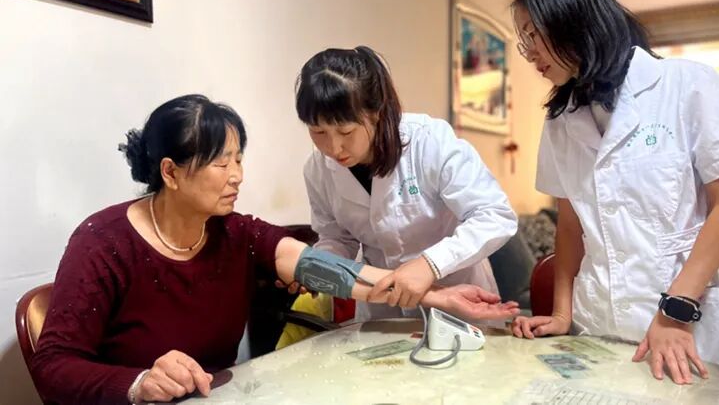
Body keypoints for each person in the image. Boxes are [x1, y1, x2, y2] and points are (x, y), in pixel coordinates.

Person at [29, 94, 519, 404]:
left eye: (239, 159)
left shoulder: (235, 233)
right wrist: (139, 384)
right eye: (221, 163)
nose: (238, 176)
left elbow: (328, 270)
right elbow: (53, 367)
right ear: (171, 172)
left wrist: (435, 296)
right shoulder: (103, 242)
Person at [508, 0, 719, 404]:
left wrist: (676, 310)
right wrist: (561, 314)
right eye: (523, 40)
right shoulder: (560, 120)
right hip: (600, 323)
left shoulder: (686, 85)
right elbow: (571, 225)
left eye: (533, 34)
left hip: (691, 319)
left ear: (573, 20)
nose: (528, 52)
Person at [292, 46, 518, 322]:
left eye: (346, 131)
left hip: (457, 295)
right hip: (382, 307)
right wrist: (320, 266)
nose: (334, 147)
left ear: (375, 111)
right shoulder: (317, 170)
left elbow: (495, 215)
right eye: (318, 132)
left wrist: (430, 265)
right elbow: (337, 238)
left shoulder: (429, 141)